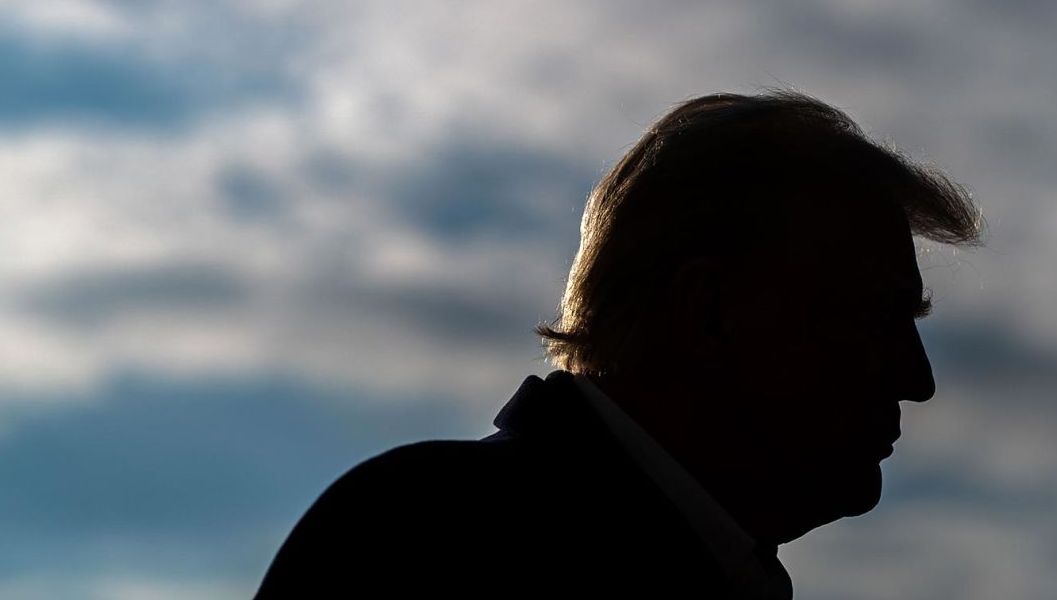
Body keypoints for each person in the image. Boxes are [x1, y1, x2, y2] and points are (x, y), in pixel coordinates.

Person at [254, 90, 982, 599]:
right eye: (874, 317)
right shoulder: (423, 543)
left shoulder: (437, 525)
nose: (917, 379)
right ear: (708, 308)